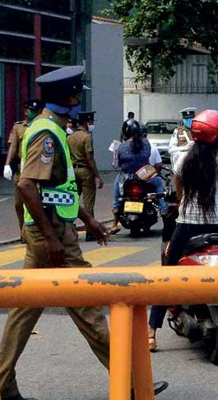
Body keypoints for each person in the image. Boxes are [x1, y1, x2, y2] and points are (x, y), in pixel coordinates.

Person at [0, 66, 168, 400]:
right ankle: (132, 383)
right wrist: (50, 237)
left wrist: (88, 218)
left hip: (51, 230)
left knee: (23, 311)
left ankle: (2, 386)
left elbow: (55, 188)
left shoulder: (54, 130)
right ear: (68, 98)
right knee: (89, 306)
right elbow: (26, 185)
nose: (80, 102)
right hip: (53, 236)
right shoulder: (47, 134)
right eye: (78, 96)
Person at [147, 110, 218, 350]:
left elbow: (180, 195)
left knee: (166, 274)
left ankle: (152, 332)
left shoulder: (182, 162)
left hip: (187, 227)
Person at [109, 123, 168, 234]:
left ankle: (116, 209)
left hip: (126, 177)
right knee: (159, 184)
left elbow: (116, 165)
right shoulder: (146, 143)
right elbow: (148, 156)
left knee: (117, 187)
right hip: (144, 175)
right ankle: (163, 208)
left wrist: (115, 153)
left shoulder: (121, 146)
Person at [3, 99, 43, 241]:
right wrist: (7, 164)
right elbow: (13, 147)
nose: (34, 113)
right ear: (26, 111)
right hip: (22, 169)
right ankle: (23, 231)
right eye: (31, 110)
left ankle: (36, 231)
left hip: (38, 169)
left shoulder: (42, 126)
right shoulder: (19, 127)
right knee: (19, 204)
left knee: (35, 202)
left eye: (36, 111)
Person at [67, 111, 103, 242]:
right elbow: (90, 158)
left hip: (73, 171)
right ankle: (90, 231)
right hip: (85, 172)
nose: (92, 124)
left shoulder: (70, 137)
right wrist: (97, 176)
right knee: (88, 203)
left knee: (72, 200)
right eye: (91, 122)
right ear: (87, 122)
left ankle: (70, 228)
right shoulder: (87, 137)